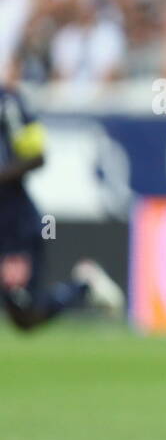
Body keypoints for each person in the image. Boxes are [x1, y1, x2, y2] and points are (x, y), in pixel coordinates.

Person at [0, 84, 122, 329]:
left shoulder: (8, 103)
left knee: (26, 314)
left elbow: (37, 155)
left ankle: (84, 286)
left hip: (13, 224)